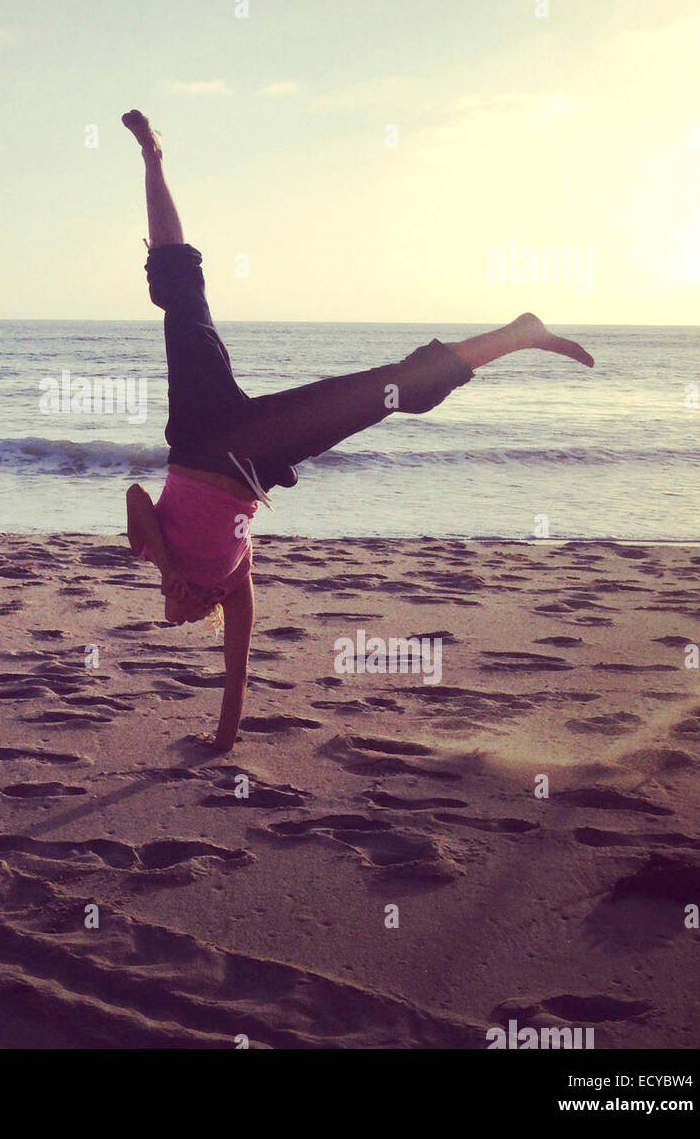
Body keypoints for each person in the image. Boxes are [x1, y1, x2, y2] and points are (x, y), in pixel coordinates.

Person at [120, 109, 595, 752]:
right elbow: (236, 672)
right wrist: (223, 742)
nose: (169, 614)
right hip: (259, 450)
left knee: (180, 293)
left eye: (165, 611)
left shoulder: (150, 553)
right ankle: (518, 335)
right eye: (178, 618)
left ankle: (152, 157)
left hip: (199, 430)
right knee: (387, 393)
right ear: (201, 615)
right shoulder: (234, 584)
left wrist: (169, 564)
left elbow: (135, 498)